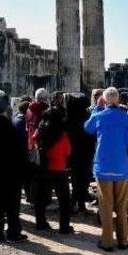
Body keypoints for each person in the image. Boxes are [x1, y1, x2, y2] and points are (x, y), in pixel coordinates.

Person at [84, 87, 128, 252]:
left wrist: (97, 107)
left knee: (105, 205)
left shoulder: (99, 115)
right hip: (121, 166)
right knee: (121, 205)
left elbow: (87, 128)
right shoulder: (126, 118)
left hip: (103, 166)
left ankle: (107, 241)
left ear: (104, 100)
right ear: (117, 100)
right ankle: (123, 240)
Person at [0, 93, 28, 242]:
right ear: (5, 109)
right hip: (12, 170)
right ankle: (13, 233)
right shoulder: (11, 128)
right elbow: (20, 151)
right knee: (13, 203)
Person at [34, 93, 73, 234]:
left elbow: (34, 140)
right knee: (64, 200)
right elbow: (68, 151)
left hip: (43, 167)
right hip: (59, 168)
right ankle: (64, 226)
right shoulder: (62, 135)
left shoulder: (41, 131)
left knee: (41, 198)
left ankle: (40, 222)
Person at [66, 92, 94, 213]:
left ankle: (74, 201)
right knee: (84, 176)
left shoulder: (69, 117)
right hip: (86, 150)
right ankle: (81, 202)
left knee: (75, 176)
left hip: (73, 150)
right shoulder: (88, 116)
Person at [24, 88, 50, 204]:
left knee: (32, 173)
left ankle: (32, 198)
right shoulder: (46, 110)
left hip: (30, 144)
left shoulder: (28, 109)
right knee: (44, 173)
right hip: (42, 145)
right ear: (44, 99)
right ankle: (43, 199)